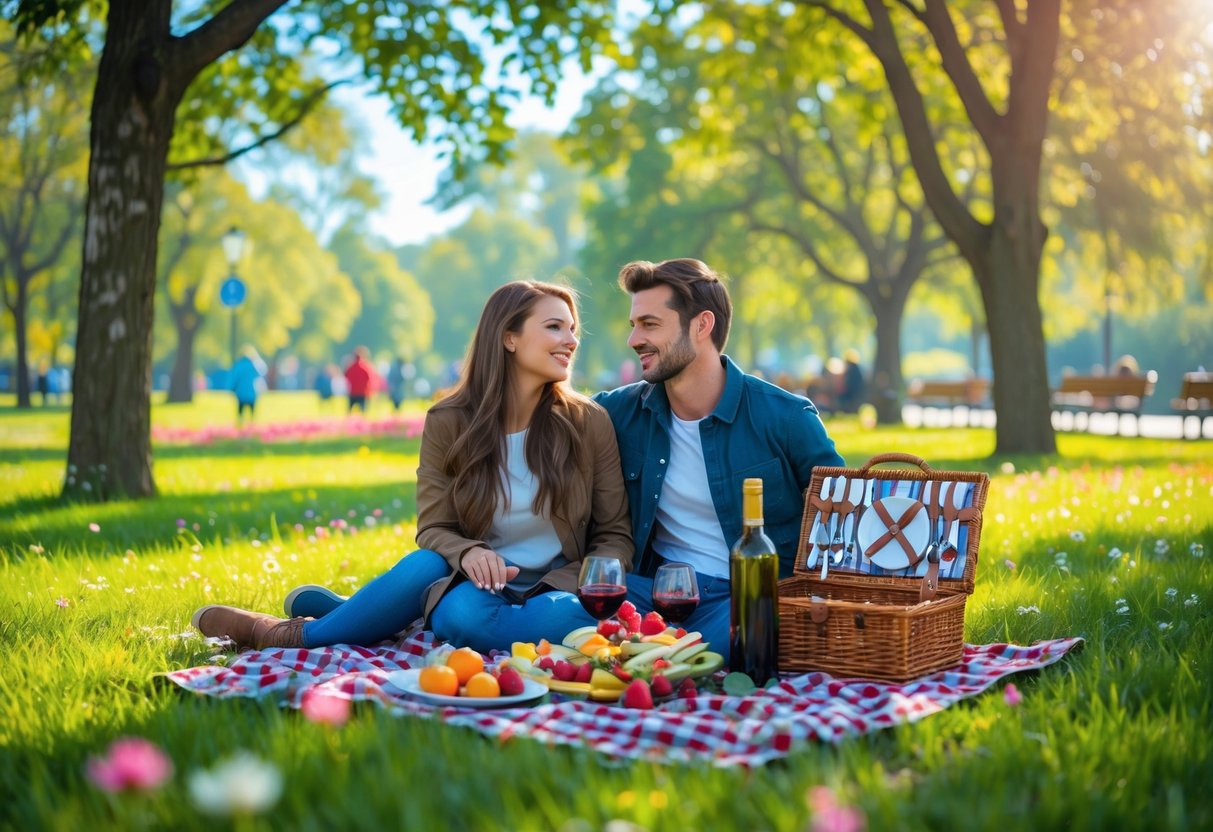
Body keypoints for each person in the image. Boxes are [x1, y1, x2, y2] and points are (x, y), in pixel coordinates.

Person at [192, 281, 633, 653]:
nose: (571, 340)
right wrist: (470, 553)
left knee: (583, 625)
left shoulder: (587, 422)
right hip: (472, 583)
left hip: (556, 587)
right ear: (508, 337)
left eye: (572, 329)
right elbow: (434, 527)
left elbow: (614, 533)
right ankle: (284, 634)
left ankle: (374, 612)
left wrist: (588, 584)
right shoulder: (449, 421)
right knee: (445, 595)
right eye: (554, 327)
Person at [592, 258, 845, 659]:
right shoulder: (621, 411)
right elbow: (550, 416)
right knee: (554, 616)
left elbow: (845, 514)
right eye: (634, 325)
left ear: (702, 325)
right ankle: (663, 649)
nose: (634, 339)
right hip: (654, 593)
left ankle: (659, 652)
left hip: (748, 599)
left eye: (650, 324)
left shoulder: (785, 416)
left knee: (748, 642)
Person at [229, 346, 267, 423]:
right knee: (251, 413)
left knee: (240, 411)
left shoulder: (238, 365)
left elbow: (233, 377)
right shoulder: (253, 365)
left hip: (241, 393)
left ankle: (240, 424)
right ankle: (251, 426)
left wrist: (232, 388)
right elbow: (261, 373)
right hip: (251, 393)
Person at [343, 347, 376, 413]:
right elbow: (370, 378)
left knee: (350, 411)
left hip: (353, 391)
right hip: (362, 392)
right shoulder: (365, 366)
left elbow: (345, 376)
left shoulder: (351, 367)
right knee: (363, 411)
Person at [836, 348, 866, 413]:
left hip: (852, 393)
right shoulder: (857, 369)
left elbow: (848, 384)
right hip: (856, 393)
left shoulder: (851, 370)